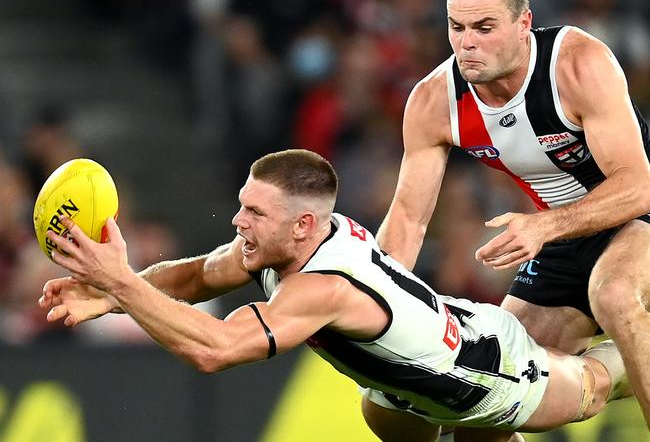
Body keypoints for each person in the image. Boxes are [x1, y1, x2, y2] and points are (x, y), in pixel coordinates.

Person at [39, 149, 628, 441]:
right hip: (402, 390)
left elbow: (214, 349)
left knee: (596, 386)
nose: (239, 221)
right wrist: (112, 294)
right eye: (242, 205)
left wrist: (119, 282)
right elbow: (194, 278)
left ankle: (637, 347)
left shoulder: (325, 286)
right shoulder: (277, 243)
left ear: (302, 226)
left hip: (482, 369)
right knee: (384, 414)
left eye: (254, 212)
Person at [375, 0, 650, 439]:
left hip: (636, 211)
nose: (467, 44)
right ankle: (618, 366)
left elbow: (637, 185)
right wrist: (370, 302)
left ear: (525, 23)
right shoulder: (433, 101)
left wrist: (544, 226)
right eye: (456, 27)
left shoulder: (576, 63)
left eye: (484, 27)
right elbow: (408, 222)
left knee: (613, 293)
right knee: (488, 393)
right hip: (566, 232)